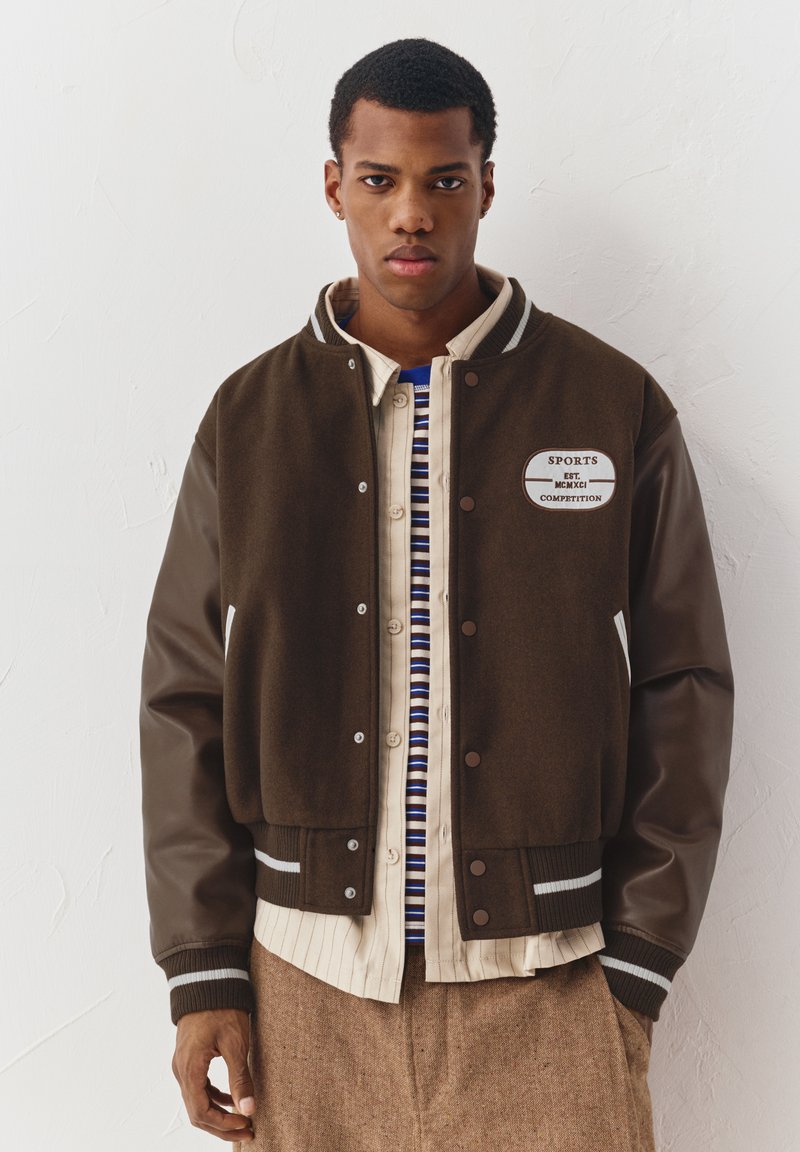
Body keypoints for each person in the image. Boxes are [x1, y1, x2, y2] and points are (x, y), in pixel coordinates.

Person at [139, 38, 735, 1151]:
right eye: (380, 179)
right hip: (304, 987)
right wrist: (203, 968)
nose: (411, 213)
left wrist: (637, 965)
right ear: (335, 187)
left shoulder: (611, 405)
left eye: (444, 180)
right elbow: (184, 696)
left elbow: (684, 682)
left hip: (551, 985)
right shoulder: (249, 418)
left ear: (486, 187)